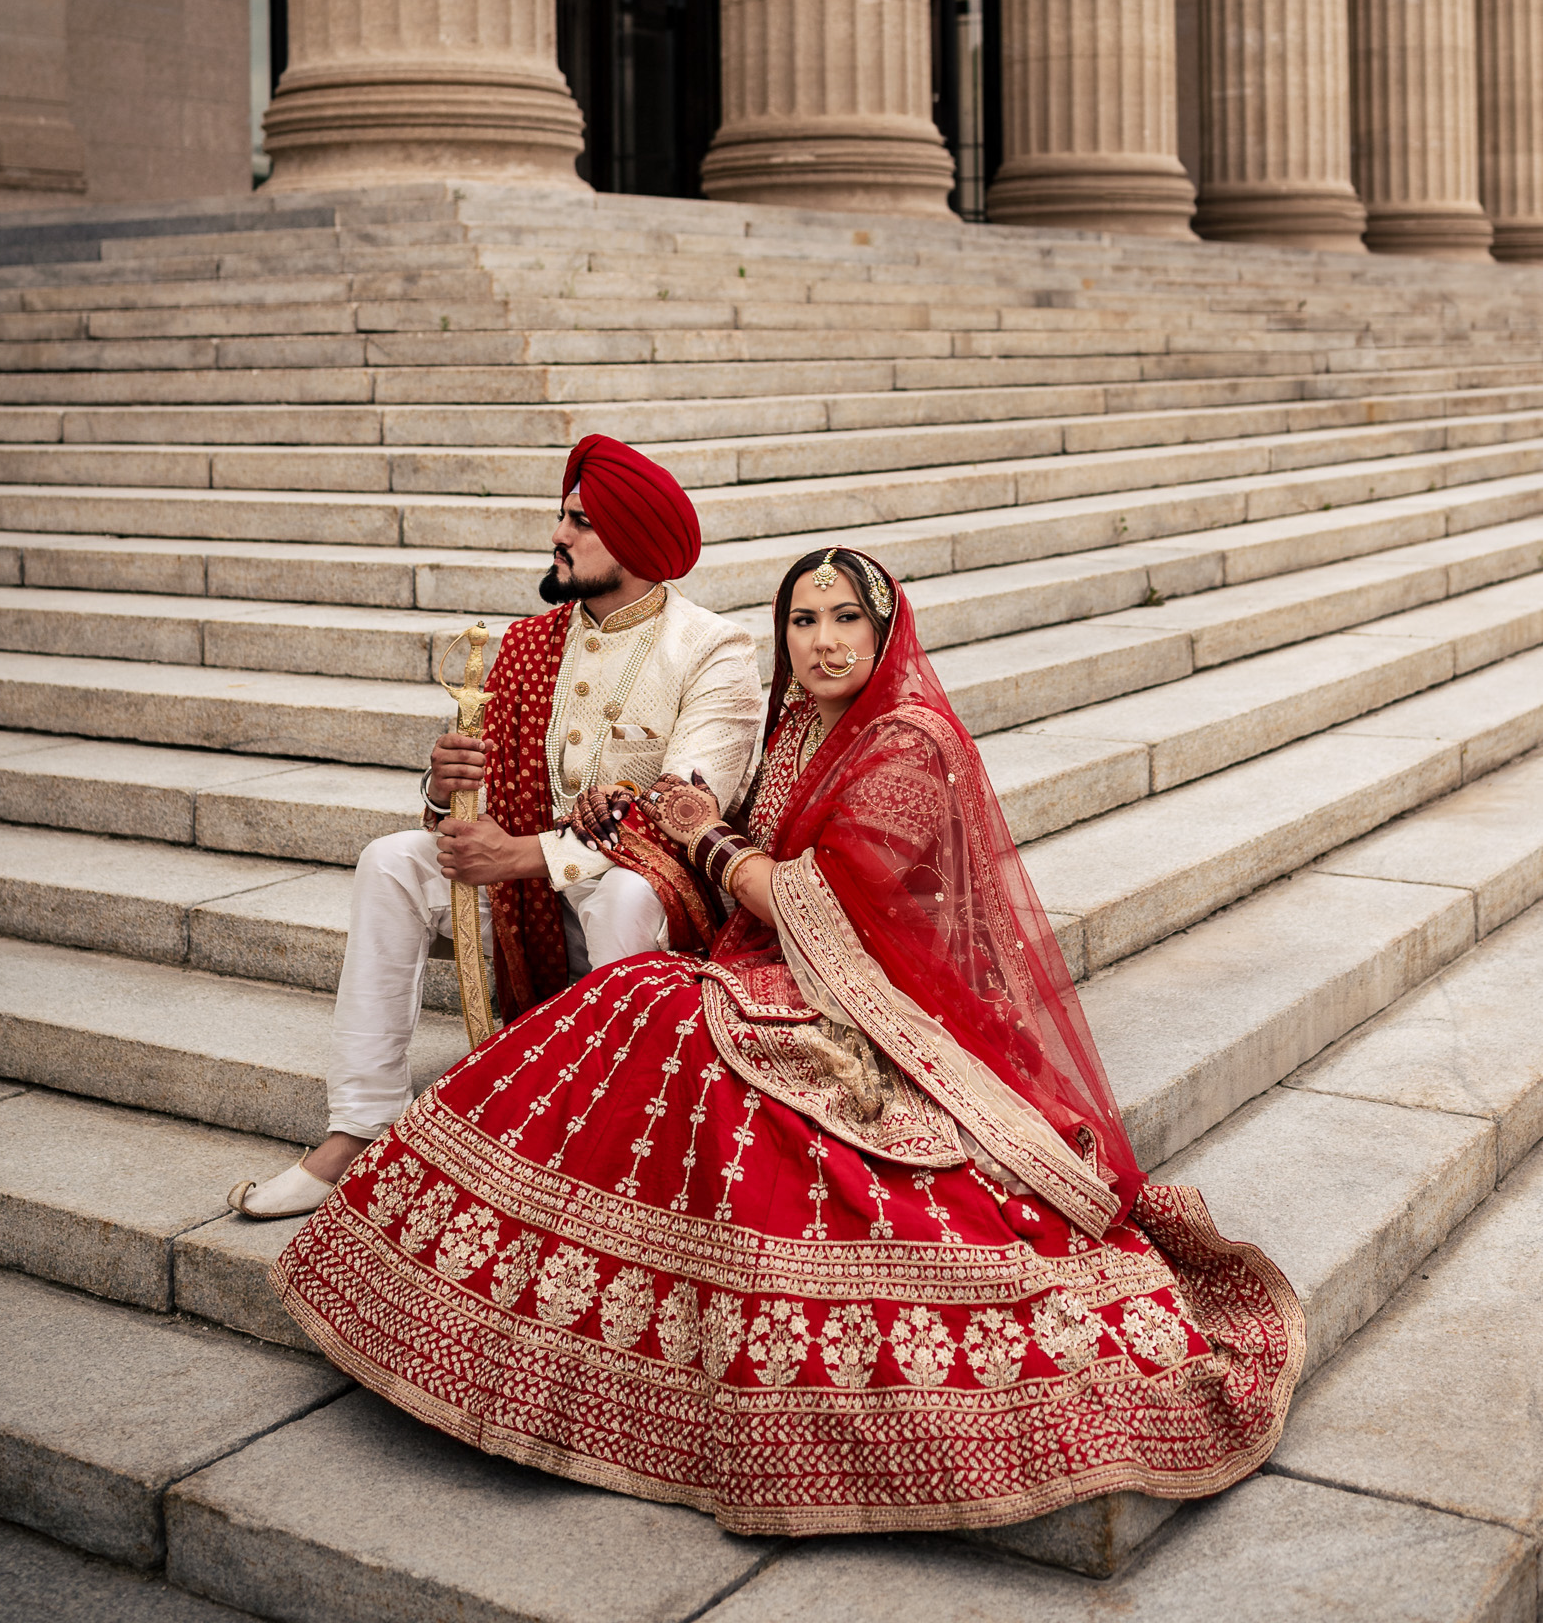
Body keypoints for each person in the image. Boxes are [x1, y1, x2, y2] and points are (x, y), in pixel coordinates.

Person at [269, 542, 1303, 1533]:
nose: (820, 641)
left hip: (864, 1008)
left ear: (883, 626)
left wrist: (701, 838)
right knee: (630, 1007)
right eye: (801, 620)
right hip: (764, 968)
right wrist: (629, 816)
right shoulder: (801, 729)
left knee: (655, 1019)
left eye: (844, 618)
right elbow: (732, 842)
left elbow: (811, 901)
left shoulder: (907, 742)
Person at [229, 435, 764, 1220]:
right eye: (562, 516)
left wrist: (521, 856)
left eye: (580, 522)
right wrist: (447, 796)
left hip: (646, 905)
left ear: (638, 540)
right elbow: (483, 809)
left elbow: (684, 811)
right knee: (391, 860)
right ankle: (356, 1128)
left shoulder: (714, 649)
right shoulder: (524, 645)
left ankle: (618, 1144)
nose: (559, 534)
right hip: (531, 915)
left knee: (622, 898)